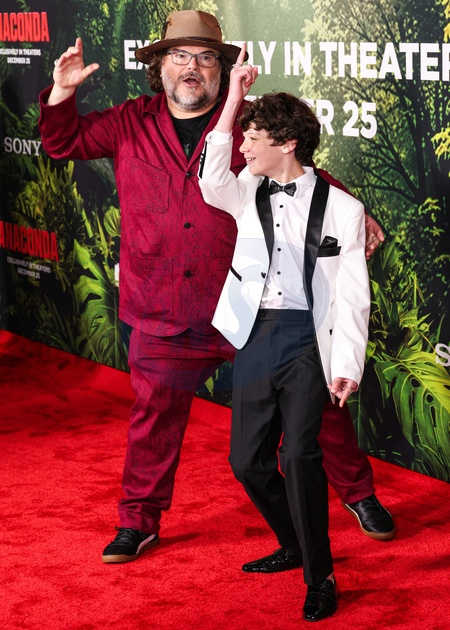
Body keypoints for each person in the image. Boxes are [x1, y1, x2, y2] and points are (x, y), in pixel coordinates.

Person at [37, 10, 393, 567]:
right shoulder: (129, 122)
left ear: (221, 69)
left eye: (205, 58)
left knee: (319, 404)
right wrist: (61, 92)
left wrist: (353, 209)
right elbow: (63, 142)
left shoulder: (246, 119)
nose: (192, 67)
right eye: (179, 56)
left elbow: (300, 171)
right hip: (162, 306)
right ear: (160, 66)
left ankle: (358, 493)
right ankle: (138, 520)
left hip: (249, 304)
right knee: (153, 419)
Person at [198, 45, 371, 621]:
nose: (243, 146)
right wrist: (234, 100)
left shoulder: (344, 209)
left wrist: (346, 364)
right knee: (247, 461)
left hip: (307, 339)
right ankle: (292, 542)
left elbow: (351, 293)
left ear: (288, 143)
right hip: (255, 332)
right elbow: (211, 176)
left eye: (254, 137)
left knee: (299, 455)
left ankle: (321, 575)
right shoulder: (244, 188)